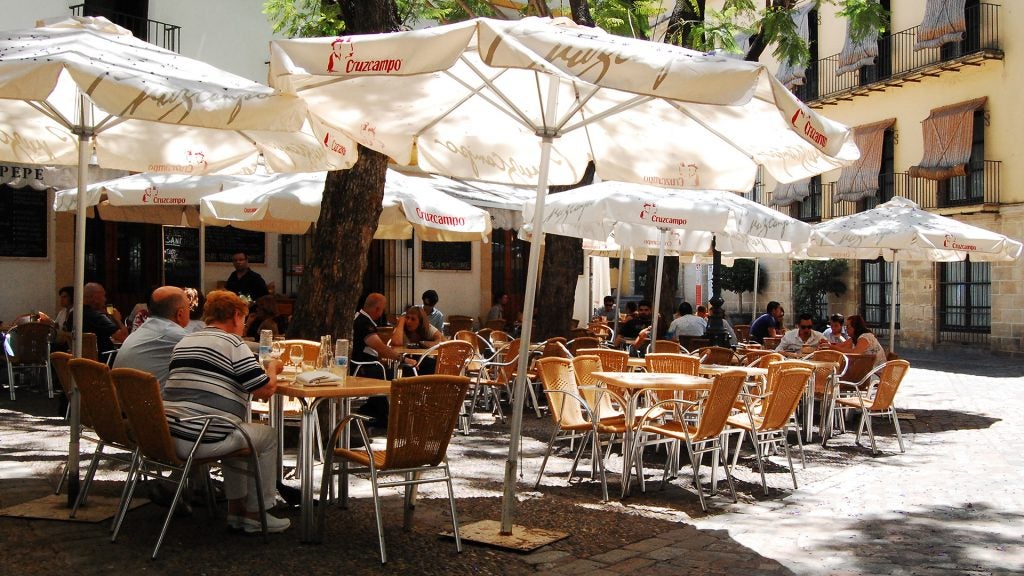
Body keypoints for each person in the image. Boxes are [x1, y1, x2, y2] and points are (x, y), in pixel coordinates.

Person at [163, 290, 288, 533]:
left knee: (237, 429)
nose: (244, 325)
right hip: (201, 435)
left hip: (170, 432)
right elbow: (265, 390)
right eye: (244, 318)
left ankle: (236, 510)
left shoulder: (185, 341)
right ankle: (256, 513)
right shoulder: (232, 343)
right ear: (234, 316)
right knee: (267, 436)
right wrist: (273, 367)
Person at [351, 293, 418, 428]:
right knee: (407, 371)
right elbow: (380, 347)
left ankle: (374, 413)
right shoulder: (364, 323)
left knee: (390, 372)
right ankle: (400, 416)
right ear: (377, 309)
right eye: (382, 310)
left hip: (368, 365)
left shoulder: (359, 318)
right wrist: (402, 358)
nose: (382, 313)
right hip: (364, 369)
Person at [113, 286, 191, 390]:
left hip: (125, 400)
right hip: (152, 404)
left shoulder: (143, 330)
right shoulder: (174, 335)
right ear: (180, 314)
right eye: (189, 308)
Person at [67, 282, 129, 357]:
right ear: (95, 297)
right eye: (103, 296)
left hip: (82, 361)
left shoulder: (73, 315)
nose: (105, 299)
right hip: (104, 360)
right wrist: (118, 319)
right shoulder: (98, 317)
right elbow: (124, 338)